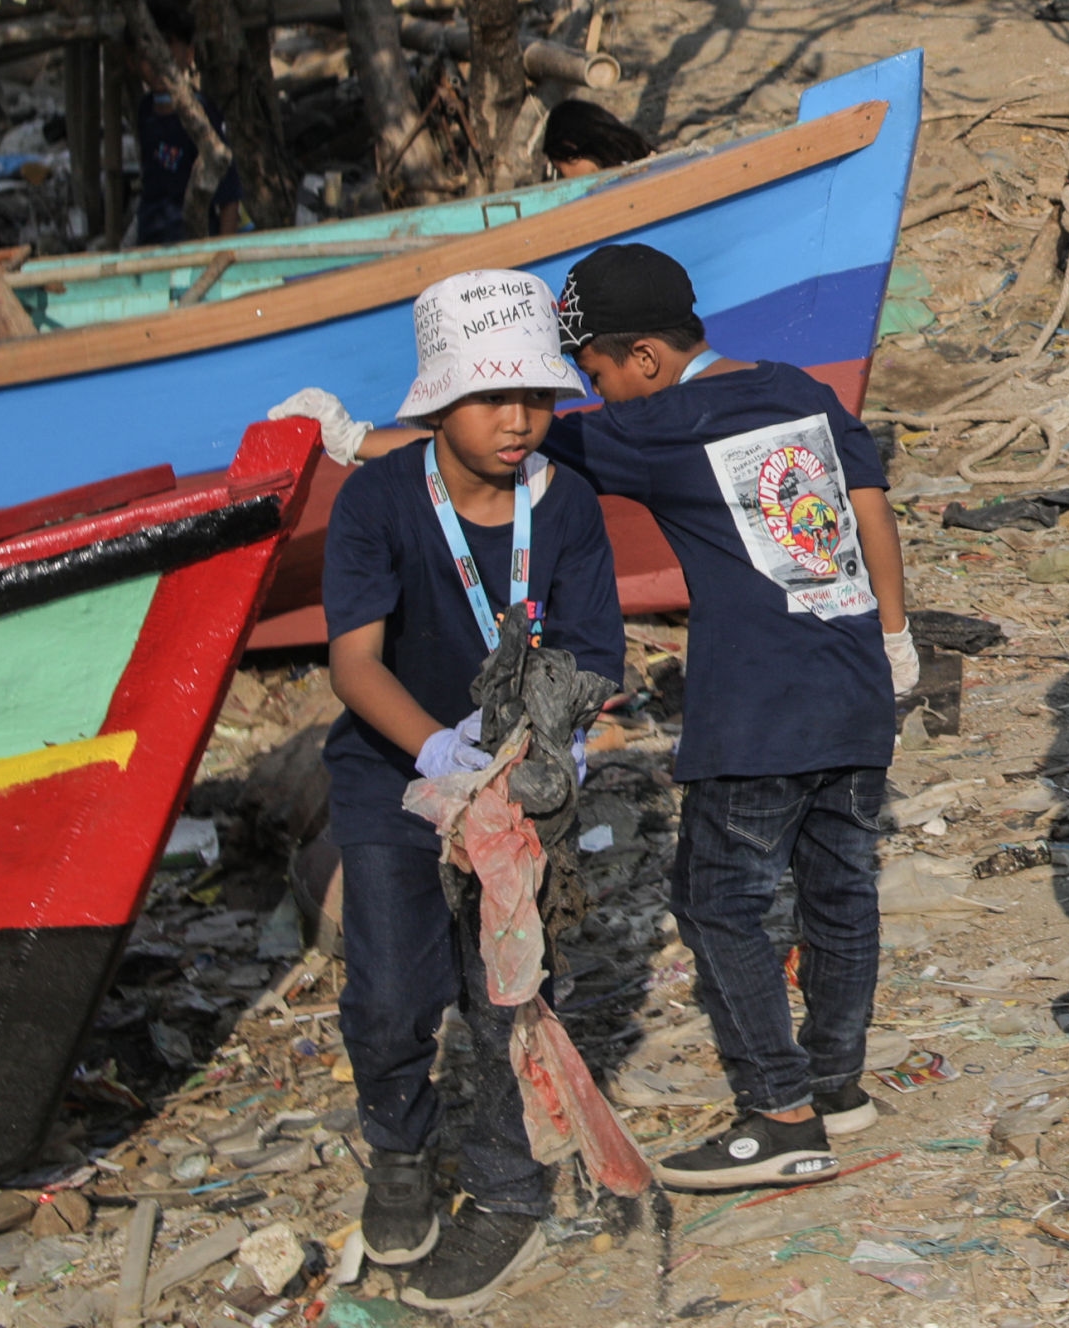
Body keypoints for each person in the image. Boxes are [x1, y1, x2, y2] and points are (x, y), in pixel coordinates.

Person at [282, 247, 921, 1193]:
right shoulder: (801, 389)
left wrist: (352, 442)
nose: (587, 395)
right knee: (839, 889)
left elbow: (509, 452)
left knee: (718, 903)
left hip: (755, 711)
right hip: (858, 686)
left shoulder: (654, 422)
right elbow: (869, 506)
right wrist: (896, 634)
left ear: (647, 361)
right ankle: (837, 1082)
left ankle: (780, 1114)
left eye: (591, 374)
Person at [312, 270, 624, 1313]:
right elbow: (355, 662)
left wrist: (554, 747)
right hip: (395, 767)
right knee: (397, 988)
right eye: (492, 398)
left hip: (519, 773)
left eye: (535, 397)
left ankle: (501, 1185)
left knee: (508, 989)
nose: (517, 420)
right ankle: (399, 1147)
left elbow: (589, 652)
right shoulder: (378, 500)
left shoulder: (564, 502)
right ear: (439, 404)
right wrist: (440, 752)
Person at [134, 1, 243, 245]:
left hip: (193, 242)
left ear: (189, 54)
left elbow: (230, 198)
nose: (157, 66)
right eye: (147, 57)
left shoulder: (201, 115)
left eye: (167, 54)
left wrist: (221, 254)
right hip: (151, 241)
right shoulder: (145, 111)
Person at [543, 99, 656, 178]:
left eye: (560, 172)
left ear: (570, 146)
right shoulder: (643, 167)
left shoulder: (643, 172)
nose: (563, 181)